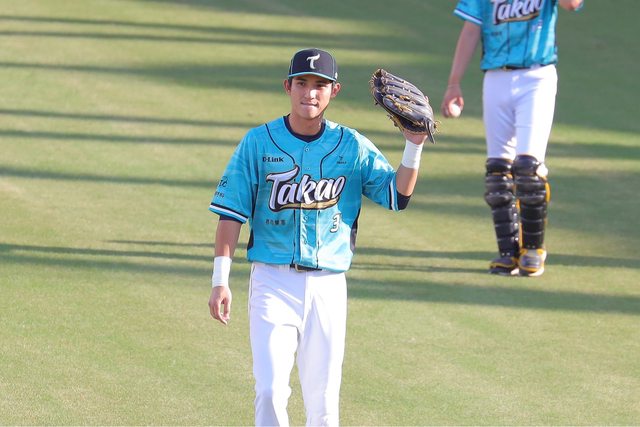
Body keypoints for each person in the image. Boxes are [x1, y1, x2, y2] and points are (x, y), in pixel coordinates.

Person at [207, 48, 431, 426]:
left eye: (320, 85)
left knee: (323, 401)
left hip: (328, 285)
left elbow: (397, 196)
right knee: (270, 390)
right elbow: (231, 214)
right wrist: (220, 281)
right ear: (288, 87)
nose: (310, 93)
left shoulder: (352, 145)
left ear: (334, 91)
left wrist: (414, 144)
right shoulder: (258, 142)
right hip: (272, 282)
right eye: (302, 83)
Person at [441, 0, 584, 277]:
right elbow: (471, 29)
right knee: (497, 174)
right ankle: (507, 253)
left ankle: (533, 250)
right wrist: (453, 82)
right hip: (496, 78)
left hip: (537, 77)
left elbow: (572, 4)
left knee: (528, 170)